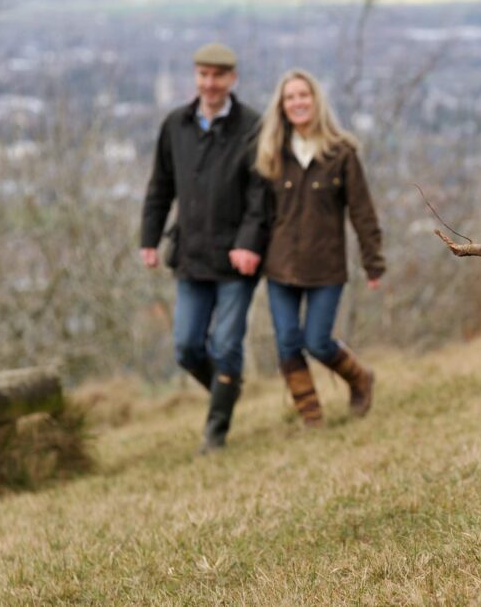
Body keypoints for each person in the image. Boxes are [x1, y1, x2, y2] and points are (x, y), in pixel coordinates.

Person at [140, 42, 267, 453]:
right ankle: (226, 389)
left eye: (218, 76)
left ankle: (215, 432)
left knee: (227, 345)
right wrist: (149, 238)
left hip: (236, 260)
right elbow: (160, 187)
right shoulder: (175, 125)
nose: (209, 83)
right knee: (187, 347)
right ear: (195, 77)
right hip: (191, 256)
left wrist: (249, 244)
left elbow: (261, 196)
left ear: (232, 78)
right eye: (203, 75)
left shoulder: (253, 126)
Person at [253, 68, 384, 427]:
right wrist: (247, 250)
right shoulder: (272, 154)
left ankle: (361, 378)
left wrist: (373, 261)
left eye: (303, 95)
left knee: (317, 340)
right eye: (290, 97)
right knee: (286, 344)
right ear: (282, 106)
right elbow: (257, 213)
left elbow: (362, 211)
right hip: (279, 265)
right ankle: (312, 419)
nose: (297, 102)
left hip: (326, 266)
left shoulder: (341, 153)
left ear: (315, 101)